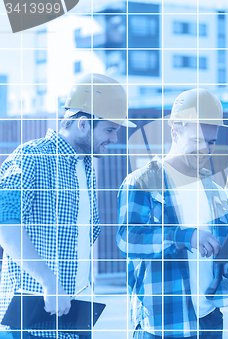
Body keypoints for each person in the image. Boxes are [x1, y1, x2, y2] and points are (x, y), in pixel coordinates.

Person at [0, 73, 135, 339]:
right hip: (30, 323)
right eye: (109, 129)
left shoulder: (87, 170)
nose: (115, 138)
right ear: (83, 124)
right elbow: (6, 224)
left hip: (73, 321)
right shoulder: (30, 157)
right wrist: (49, 282)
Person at [116, 88, 228, 339]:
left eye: (211, 142)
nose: (205, 150)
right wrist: (187, 237)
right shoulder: (141, 181)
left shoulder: (214, 189)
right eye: (197, 141)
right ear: (175, 133)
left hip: (209, 321)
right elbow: (128, 239)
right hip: (163, 325)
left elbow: (218, 255)